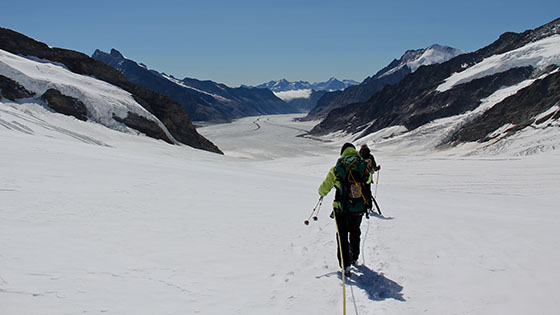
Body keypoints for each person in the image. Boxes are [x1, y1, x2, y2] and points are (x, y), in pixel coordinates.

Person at [318, 143, 370, 273]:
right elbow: (368, 180)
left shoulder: (337, 167)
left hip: (341, 207)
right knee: (355, 231)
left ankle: (345, 264)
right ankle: (354, 258)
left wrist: (322, 193)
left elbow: (326, 185)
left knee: (342, 234)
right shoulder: (361, 164)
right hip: (358, 206)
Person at [359, 144, 381, 212]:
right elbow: (373, 168)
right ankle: (368, 206)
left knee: (360, 191)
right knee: (368, 192)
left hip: (358, 177)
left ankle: (360, 206)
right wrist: (377, 168)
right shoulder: (370, 157)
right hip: (368, 177)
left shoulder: (358, 156)